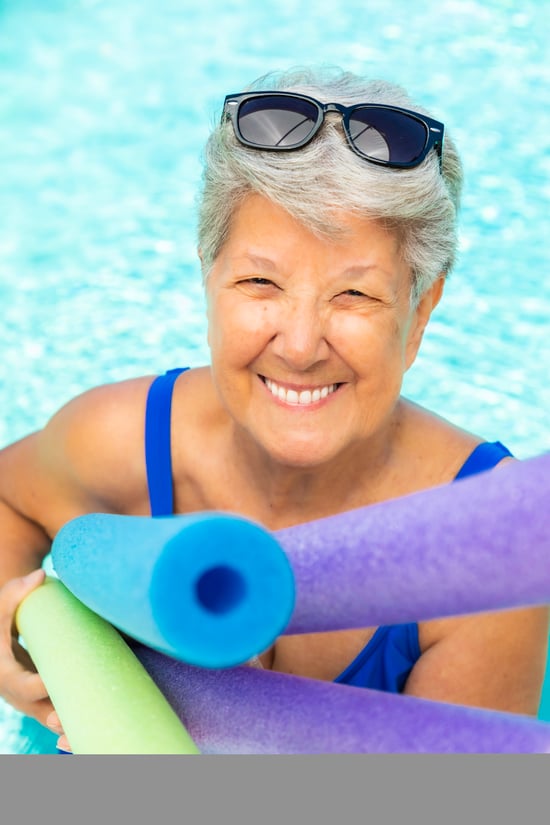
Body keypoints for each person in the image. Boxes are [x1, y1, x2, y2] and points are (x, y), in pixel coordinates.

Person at [0, 66, 548, 753]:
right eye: (260, 282)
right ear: (207, 281)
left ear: (421, 313)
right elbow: (8, 499)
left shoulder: (483, 551)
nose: (298, 343)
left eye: (355, 295)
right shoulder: (123, 440)